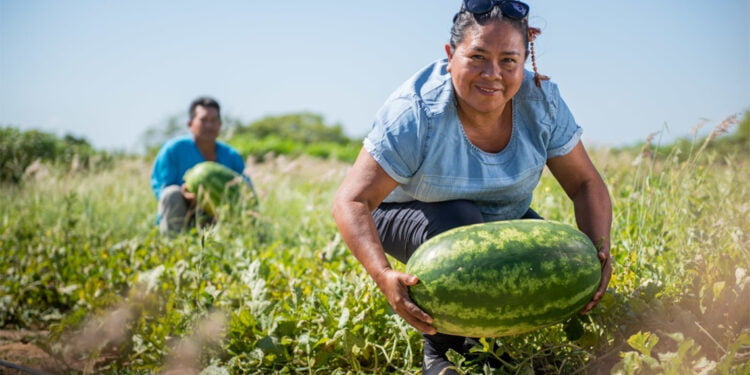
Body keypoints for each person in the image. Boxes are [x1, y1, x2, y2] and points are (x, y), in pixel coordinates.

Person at [331, 1, 613, 374]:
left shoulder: (542, 102)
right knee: (460, 217)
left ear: (525, 61)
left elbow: (585, 182)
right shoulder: (416, 111)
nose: (492, 74)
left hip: (496, 216)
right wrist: (383, 275)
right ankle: (442, 352)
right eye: (477, 56)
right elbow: (351, 201)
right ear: (450, 55)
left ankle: (485, 345)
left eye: (509, 61)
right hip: (398, 214)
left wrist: (598, 250)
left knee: (554, 253)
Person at [151, 96, 252, 235]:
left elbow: (245, 190)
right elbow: (161, 188)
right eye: (203, 120)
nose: (209, 126)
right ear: (190, 124)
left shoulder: (231, 155)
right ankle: (173, 242)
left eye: (213, 120)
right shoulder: (173, 150)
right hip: (183, 214)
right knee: (171, 193)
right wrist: (186, 195)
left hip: (220, 215)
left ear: (220, 124)